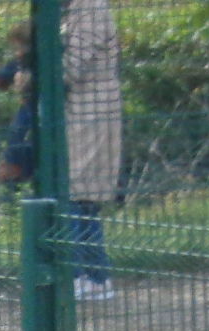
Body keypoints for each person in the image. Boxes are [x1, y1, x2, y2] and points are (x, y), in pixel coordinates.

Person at [63, 0, 123, 300]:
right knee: (81, 196)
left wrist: (31, 80)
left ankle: (83, 276)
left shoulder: (92, 10)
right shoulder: (75, 10)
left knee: (77, 192)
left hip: (93, 108)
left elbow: (70, 66)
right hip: (81, 107)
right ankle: (93, 276)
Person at [0, 22, 38, 186]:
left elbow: (1, 80)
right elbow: (2, 80)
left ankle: (14, 166)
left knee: (20, 129)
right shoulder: (21, 62)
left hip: (35, 109)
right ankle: (13, 165)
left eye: (19, 47)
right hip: (34, 107)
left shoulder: (31, 60)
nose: (17, 52)